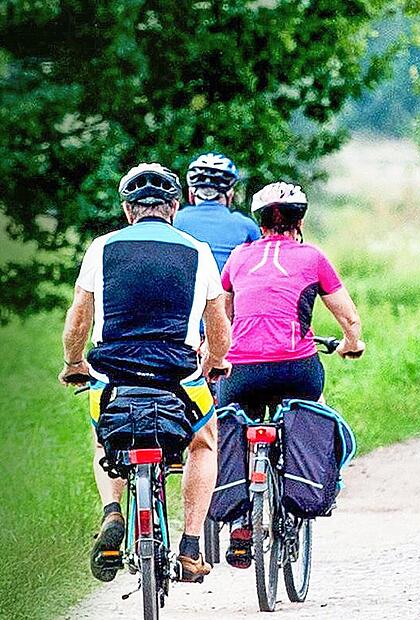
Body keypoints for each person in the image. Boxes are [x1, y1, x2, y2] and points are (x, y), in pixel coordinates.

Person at [58, 163, 232, 582]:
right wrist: (214, 362)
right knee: (204, 442)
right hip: (177, 374)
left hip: (112, 372)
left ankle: (113, 512)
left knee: (103, 433)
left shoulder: (102, 247)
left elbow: (78, 318)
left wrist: (74, 363)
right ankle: (191, 546)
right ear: (174, 206)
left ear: (127, 209)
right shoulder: (197, 251)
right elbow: (219, 326)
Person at [217, 181, 365, 567]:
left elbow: (223, 316)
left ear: (259, 222)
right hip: (296, 367)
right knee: (316, 407)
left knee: (230, 418)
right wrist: (353, 342)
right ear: (300, 220)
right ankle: (307, 489)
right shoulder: (313, 257)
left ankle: (239, 525)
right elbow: (348, 316)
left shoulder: (237, 258)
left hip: (241, 368)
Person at [174, 152, 261, 272]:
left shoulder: (173, 219)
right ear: (230, 195)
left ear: (191, 194)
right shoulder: (246, 225)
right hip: (227, 289)